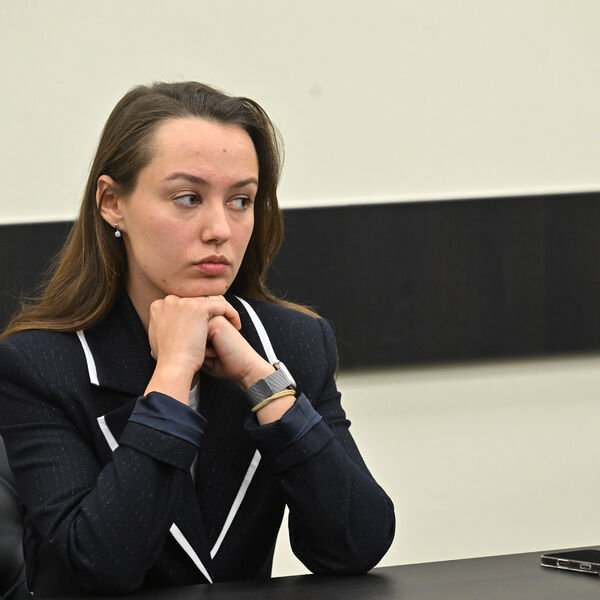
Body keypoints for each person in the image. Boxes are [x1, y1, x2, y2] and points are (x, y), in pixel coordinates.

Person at [0, 82, 395, 598]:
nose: (219, 230)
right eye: (187, 198)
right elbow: (99, 565)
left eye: (241, 200)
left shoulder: (292, 342)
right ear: (112, 203)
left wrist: (262, 383)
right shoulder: (38, 363)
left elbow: (356, 546)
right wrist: (171, 376)